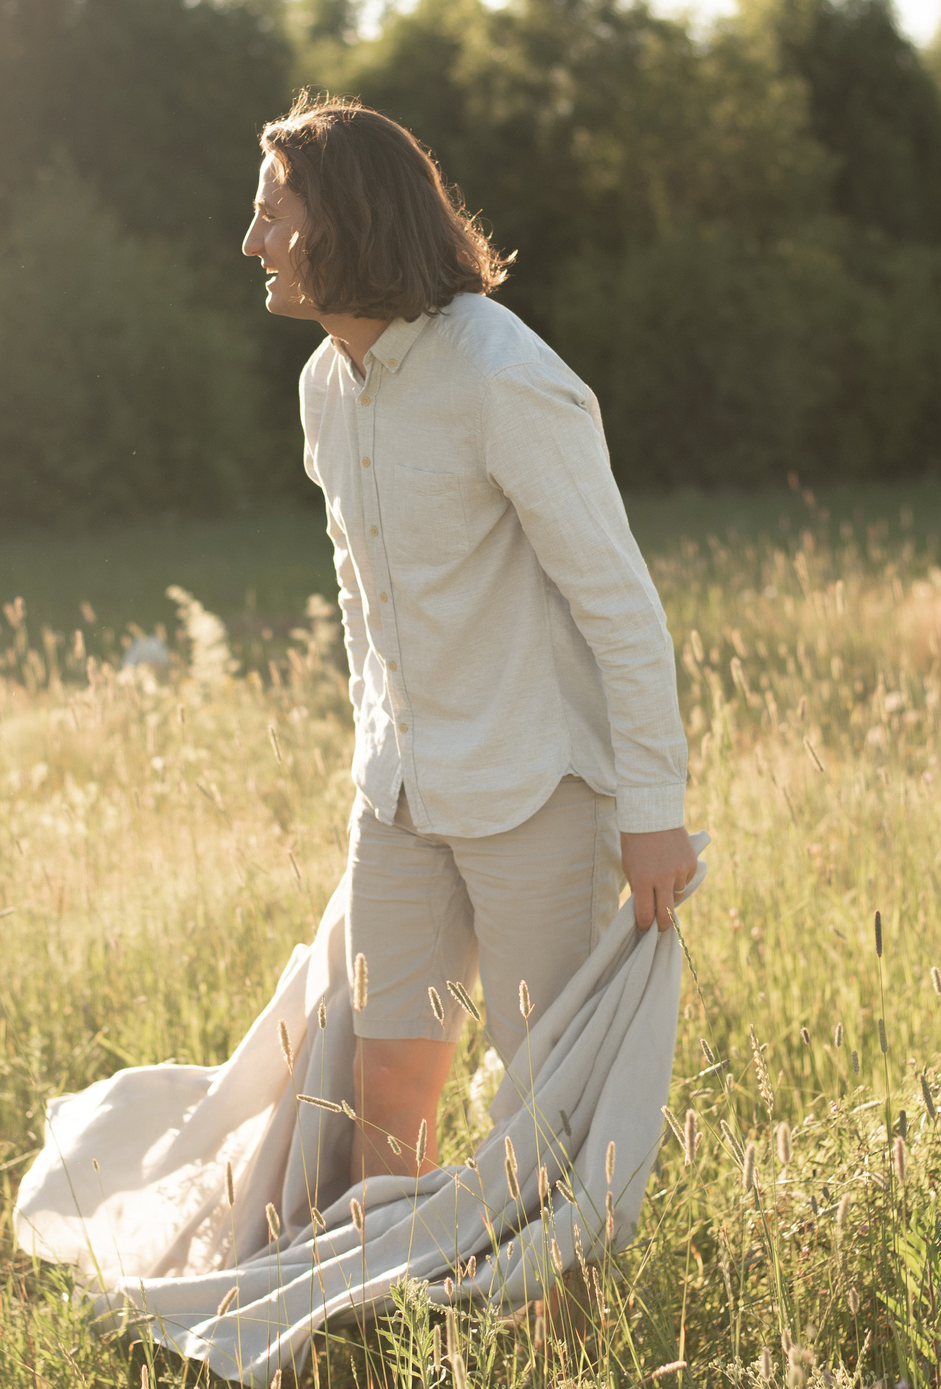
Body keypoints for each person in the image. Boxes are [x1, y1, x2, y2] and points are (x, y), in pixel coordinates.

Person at [242, 92, 698, 1184]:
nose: (251, 240)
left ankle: (565, 1338)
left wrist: (653, 813)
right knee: (385, 1079)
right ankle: (398, 1317)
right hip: (400, 797)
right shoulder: (324, 388)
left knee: (546, 1090)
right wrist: (375, 754)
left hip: (536, 790)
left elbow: (620, 605)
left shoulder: (502, 375)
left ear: (344, 223)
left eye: (271, 214)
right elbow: (361, 593)